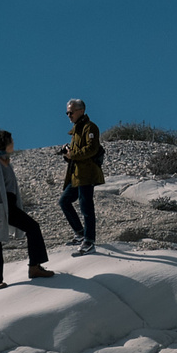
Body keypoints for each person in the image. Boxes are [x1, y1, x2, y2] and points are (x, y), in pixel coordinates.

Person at [0, 129, 52, 288]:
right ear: (5, 144)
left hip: (8, 205)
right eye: (11, 142)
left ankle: (34, 267)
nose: (14, 144)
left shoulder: (5, 161)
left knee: (32, 228)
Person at [60, 99, 103, 255]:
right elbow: (77, 153)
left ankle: (89, 241)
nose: (68, 115)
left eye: (71, 112)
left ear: (81, 111)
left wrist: (73, 154)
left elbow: (91, 149)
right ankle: (79, 233)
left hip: (87, 174)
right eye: (67, 112)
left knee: (86, 208)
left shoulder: (90, 128)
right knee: (64, 201)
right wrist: (68, 154)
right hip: (77, 175)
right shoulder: (77, 130)